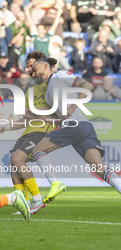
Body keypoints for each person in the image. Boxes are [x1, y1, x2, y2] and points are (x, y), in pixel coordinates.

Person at [30, 58, 121, 200]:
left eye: (34, 69)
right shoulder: (48, 94)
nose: (33, 73)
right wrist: (36, 116)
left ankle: (55, 183)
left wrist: (72, 107)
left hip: (76, 124)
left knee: (37, 150)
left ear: (46, 66)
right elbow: (58, 120)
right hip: (82, 127)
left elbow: (88, 86)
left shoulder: (60, 75)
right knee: (98, 168)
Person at [0, 52, 62, 214]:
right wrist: (6, 127)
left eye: (32, 65)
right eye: (28, 66)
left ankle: (37, 200)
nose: (29, 69)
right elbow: (25, 119)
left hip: (43, 130)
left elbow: (59, 112)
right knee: (13, 162)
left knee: (18, 159)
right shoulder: (30, 91)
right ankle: (23, 200)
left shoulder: (52, 84)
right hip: (28, 131)